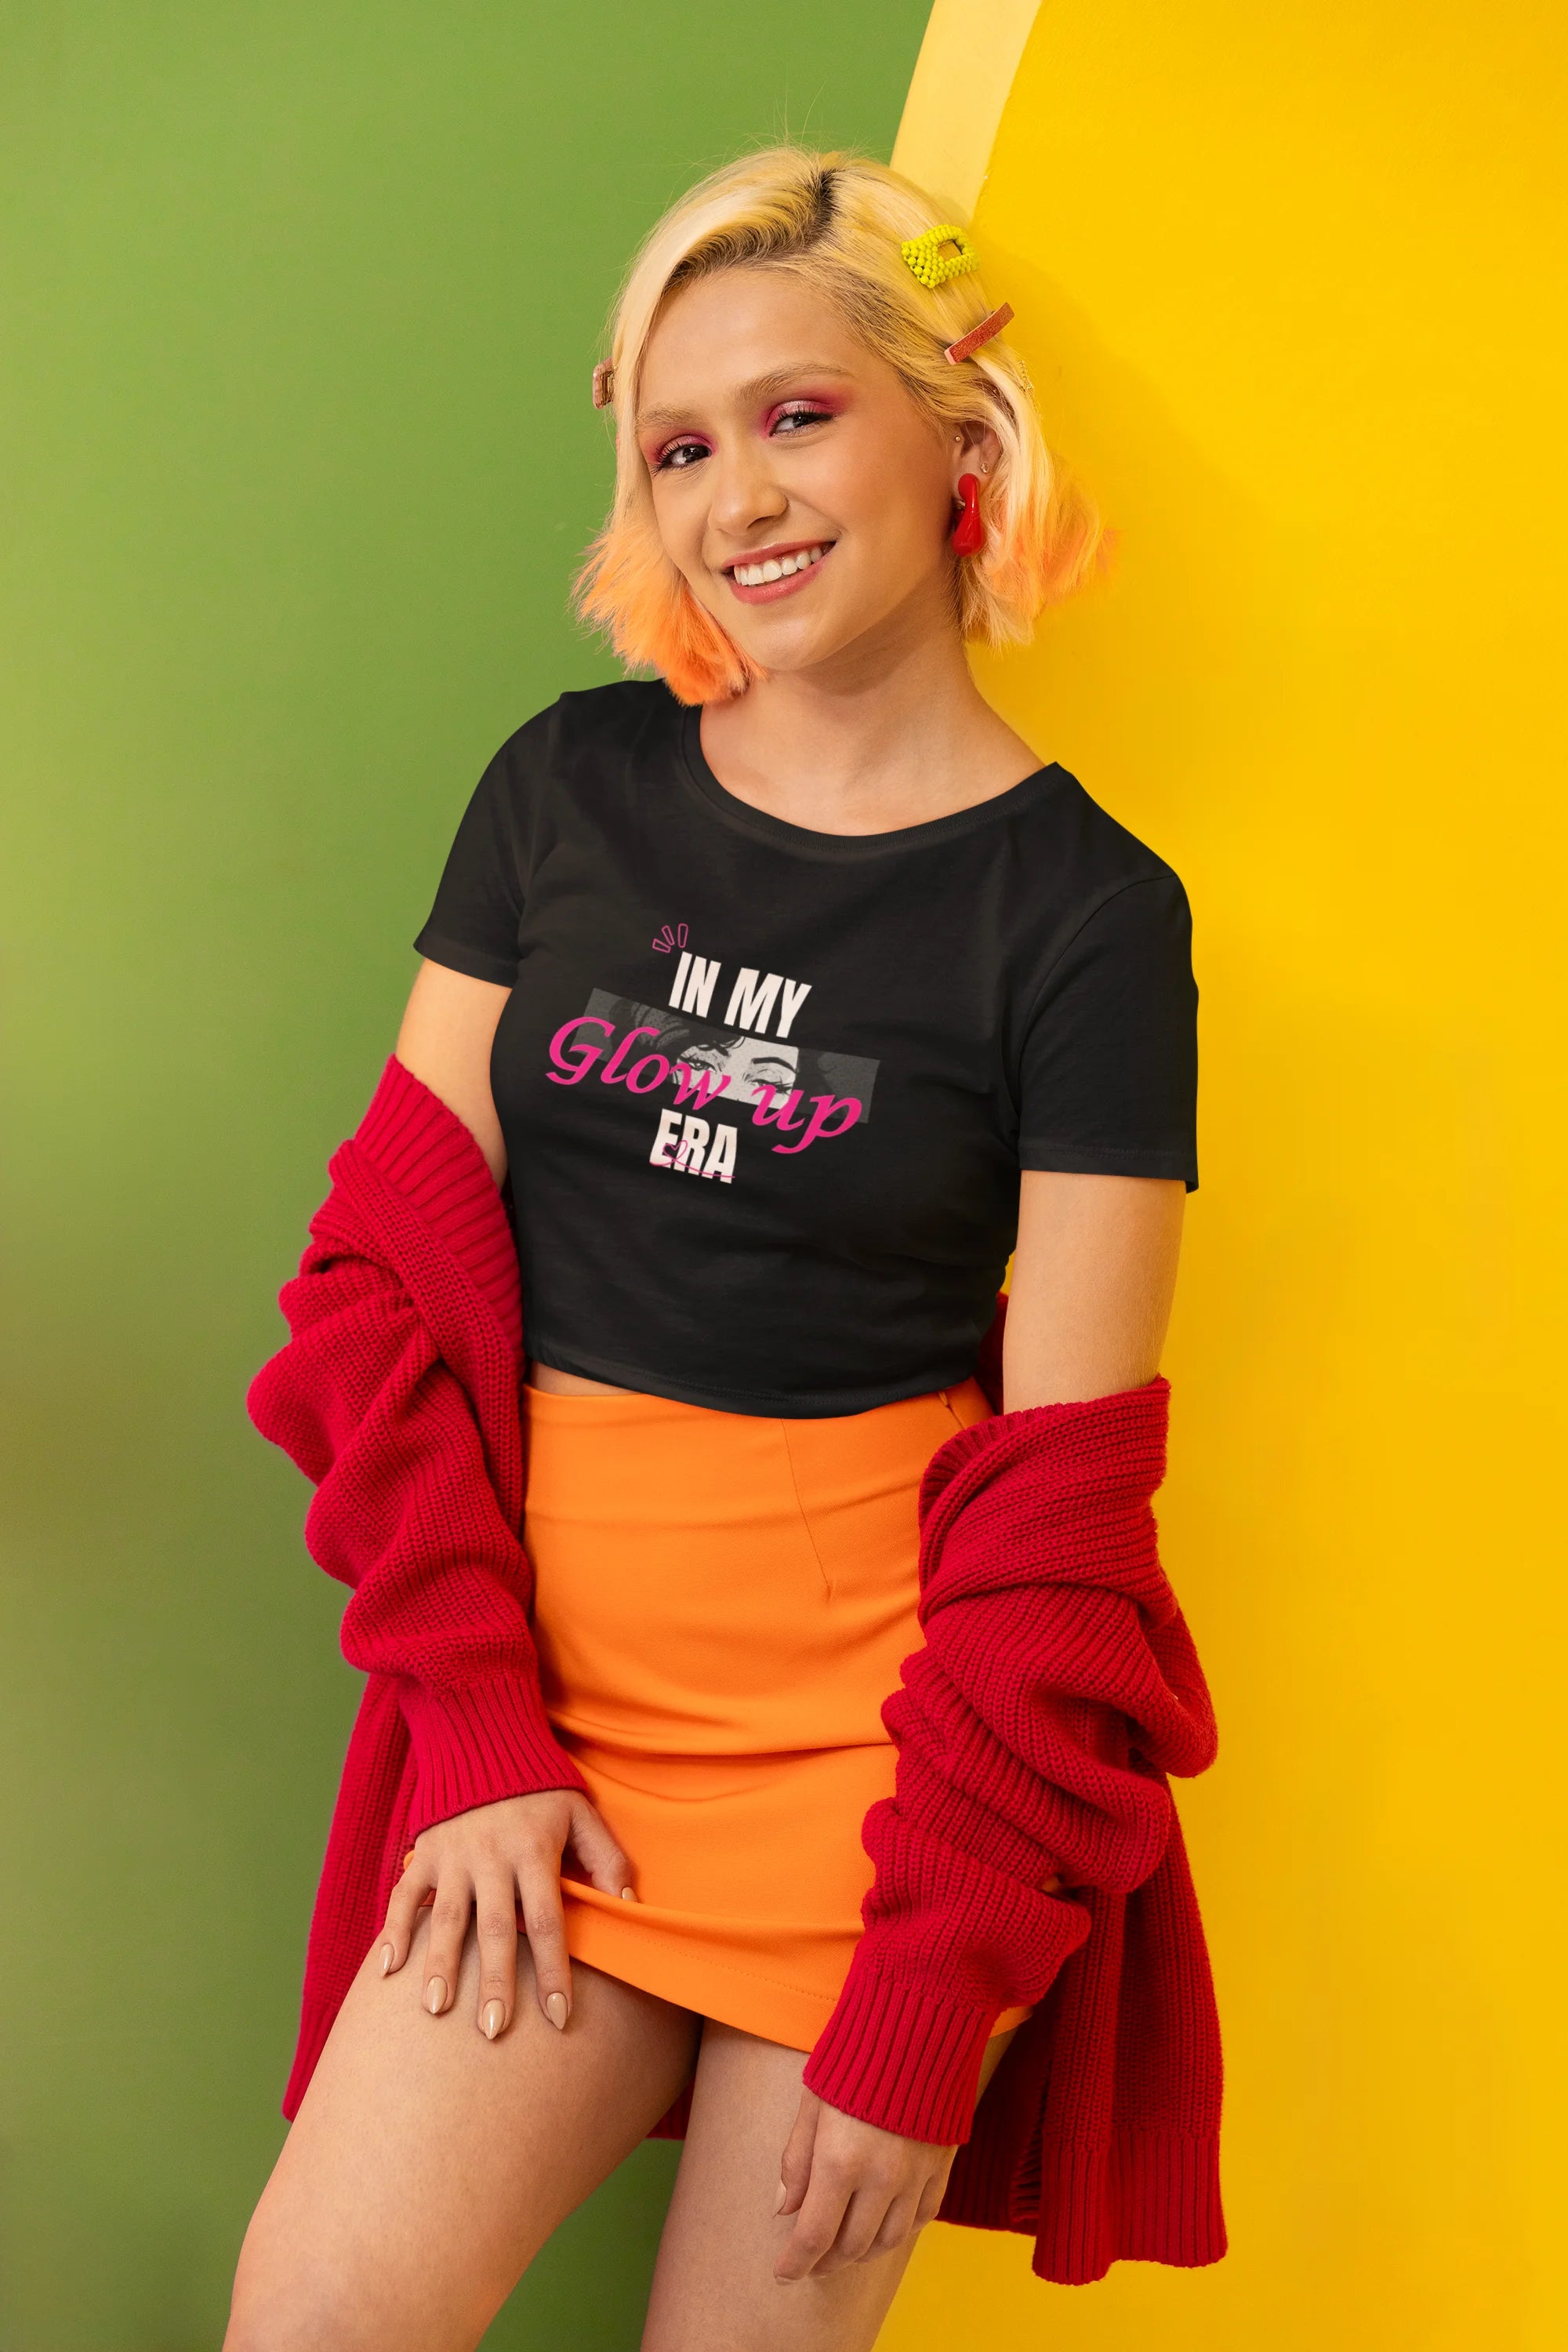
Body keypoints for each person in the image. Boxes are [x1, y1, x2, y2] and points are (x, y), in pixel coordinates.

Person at [225, 147, 1221, 2352]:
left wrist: (927, 1987)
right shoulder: (564, 792)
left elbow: (1066, 1514)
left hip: (879, 1806)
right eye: (677, 448)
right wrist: (474, 1728)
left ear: (954, 432)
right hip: (548, 1747)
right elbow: (378, 1289)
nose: (735, 498)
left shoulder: (1086, 919)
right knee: (310, 2321)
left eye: (796, 415)